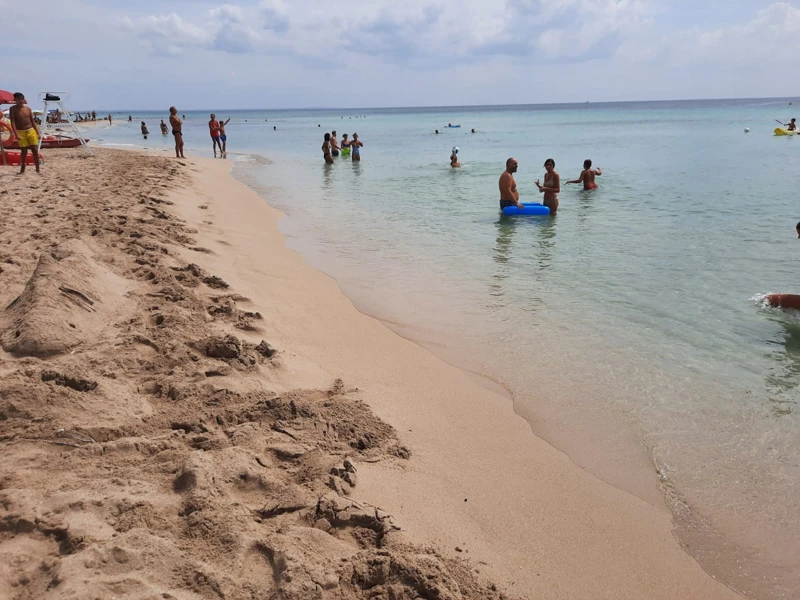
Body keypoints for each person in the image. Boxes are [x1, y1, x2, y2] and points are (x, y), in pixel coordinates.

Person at [9, 93, 41, 174]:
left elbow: (33, 122)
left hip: (30, 130)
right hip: (21, 132)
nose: (21, 101)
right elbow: (13, 122)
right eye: (19, 99)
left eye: (22, 99)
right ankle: (22, 167)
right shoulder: (13, 109)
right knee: (24, 151)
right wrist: (16, 134)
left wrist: (38, 133)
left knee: (35, 149)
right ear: (15, 100)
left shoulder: (28, 109)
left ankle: (38, 169)